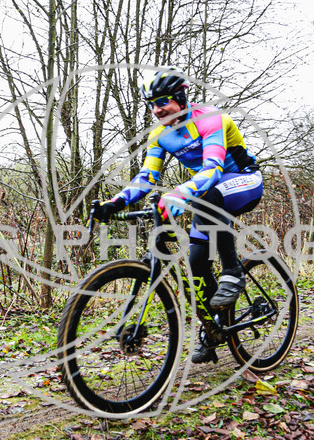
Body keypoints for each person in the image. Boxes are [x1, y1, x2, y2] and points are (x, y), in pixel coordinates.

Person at [92, 67, 263, 364]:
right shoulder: (160, 136)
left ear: (181, 99)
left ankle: (233, 273)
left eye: (163, 102)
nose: (157, 110)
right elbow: (146, 178)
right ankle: (214, 331)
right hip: (209, 192)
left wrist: (177, 195)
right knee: (196, 264)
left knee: (208, 195)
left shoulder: (210, 119)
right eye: (152, 105)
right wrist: (115, 203)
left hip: (243, 181)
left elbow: (212, 169)